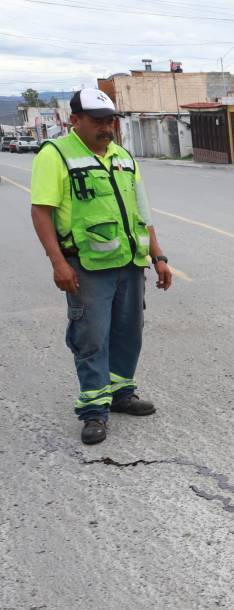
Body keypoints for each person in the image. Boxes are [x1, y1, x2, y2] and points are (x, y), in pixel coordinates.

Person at [29, 88, 172, 445]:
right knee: (91, 337)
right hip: (87, 267)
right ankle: (94, 408)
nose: (106, 128)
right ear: (75, 120)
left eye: (110, 121)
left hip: (130, 263)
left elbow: (143, 213)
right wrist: (58, 263)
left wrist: (159, 257)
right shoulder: (56, 155)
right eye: (98, 121)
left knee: (128, 332)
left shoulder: (123, 157)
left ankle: (121, 392)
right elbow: (41, 211)